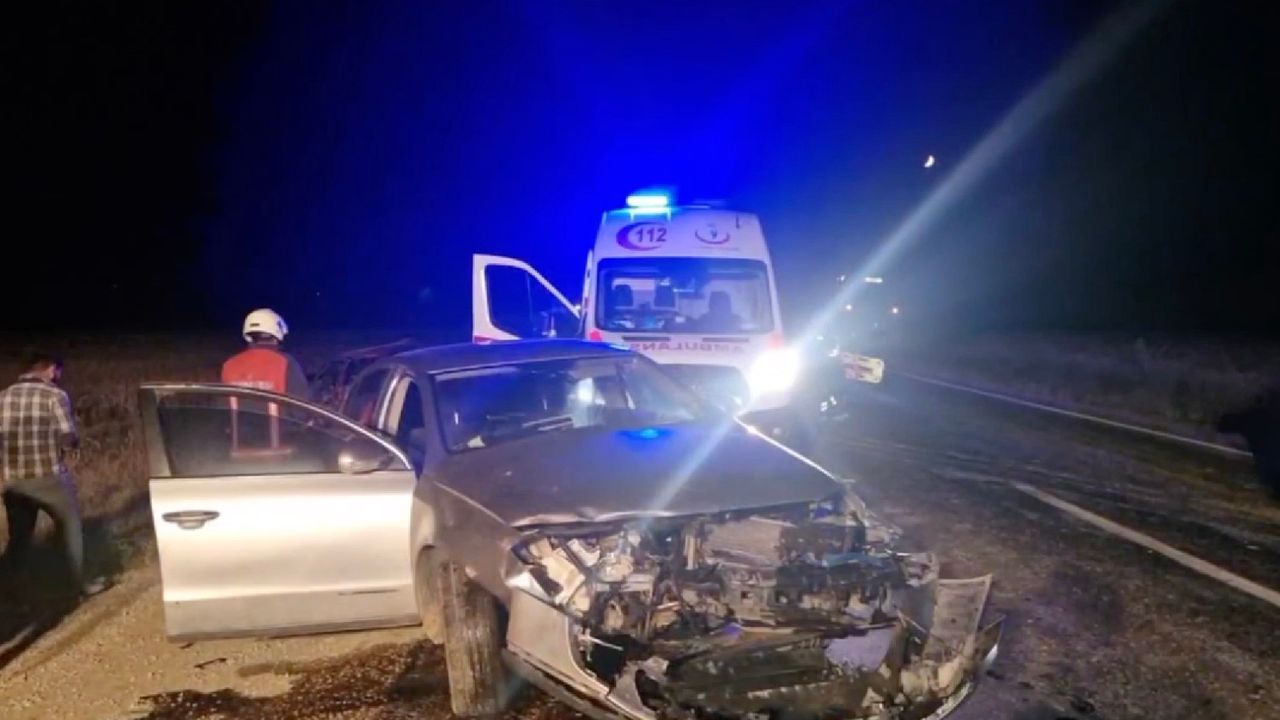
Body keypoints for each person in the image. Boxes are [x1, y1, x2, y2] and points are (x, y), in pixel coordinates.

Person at [0, 353, 108, 596]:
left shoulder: (2, 397)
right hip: (48, 477)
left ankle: (8, 590)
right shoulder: (54, 395)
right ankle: (76, 584)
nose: (58, 376)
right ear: (50, 369)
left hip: (15, 482)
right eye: (58, 372)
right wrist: (72, 445)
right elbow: (67, 437)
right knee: (70, 527)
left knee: (19, 537)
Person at [222, 308, 310, 399]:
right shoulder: (286, 362)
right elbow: (302, 402)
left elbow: (222, 402)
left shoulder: (229, 364)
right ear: (277, 334)